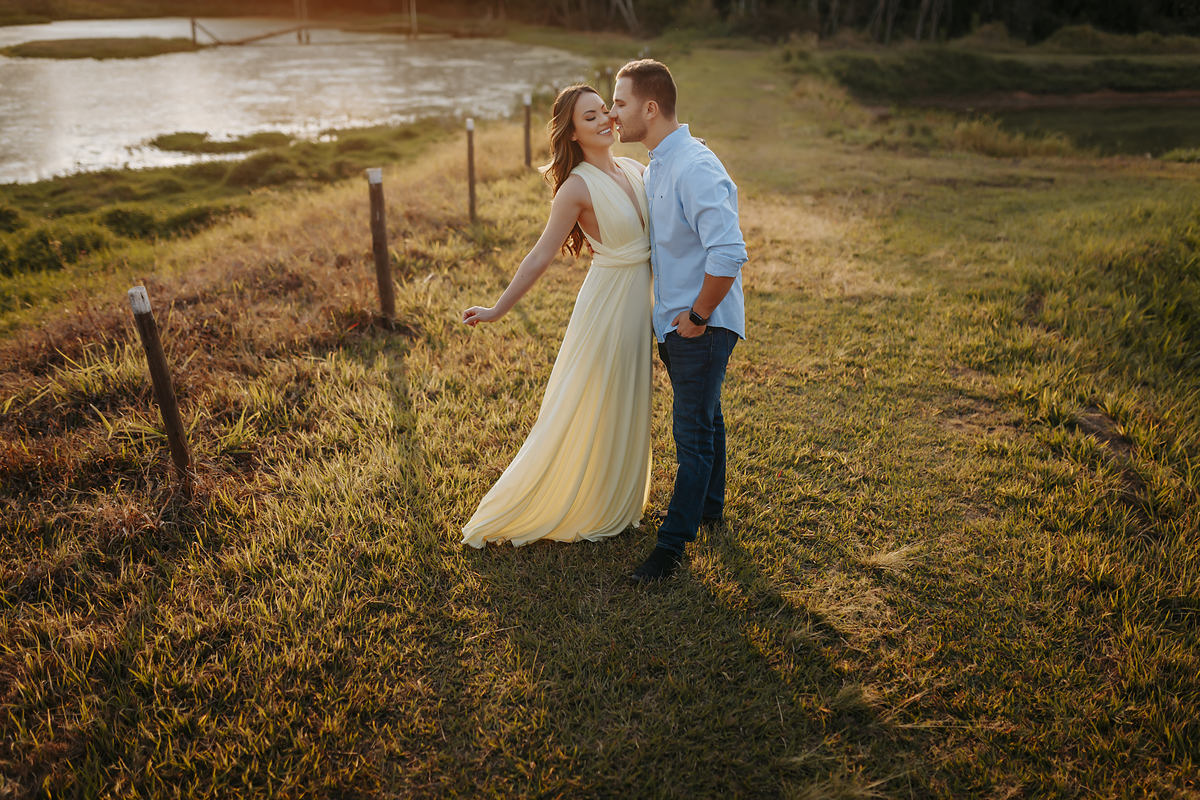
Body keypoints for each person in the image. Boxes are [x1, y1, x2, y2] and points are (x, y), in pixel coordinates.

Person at [460, 85, 653, 548]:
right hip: (609, 302)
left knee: (629, 394)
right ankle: (572, 495)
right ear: (572, 134)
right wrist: (497, 309)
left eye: (606, 110)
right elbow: (540, 255)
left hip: (641, 299)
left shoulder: (635, 168)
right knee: (590, 396)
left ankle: (617, 494)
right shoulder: (576, 187)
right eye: (591, 117)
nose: (605, 120)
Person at [608, 59, 749, 583]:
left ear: (650, 107)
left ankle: (670, 549)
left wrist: (697, 315)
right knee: (706, 418)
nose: (613, 113)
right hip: (678, 323)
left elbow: (729, 252)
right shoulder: (659, 163)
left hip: (701, 325)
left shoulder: (694, 165)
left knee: (689, 433)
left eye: (619, 103)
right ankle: (711, 510)